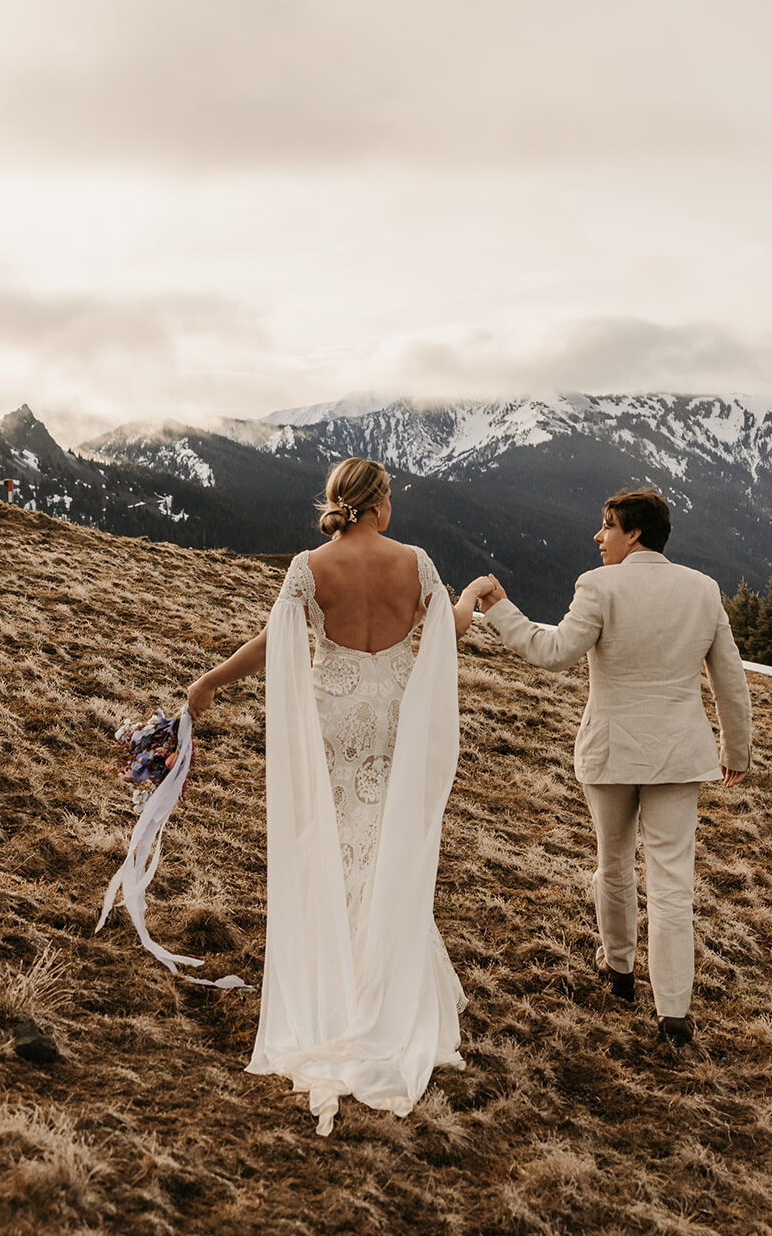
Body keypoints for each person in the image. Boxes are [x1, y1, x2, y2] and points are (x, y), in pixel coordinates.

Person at [187, 457, 494, 1134]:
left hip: (333, 717)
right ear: (379, 504)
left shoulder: (309, 566)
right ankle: (382, 979)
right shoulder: (416, 563)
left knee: (332, 839)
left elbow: (276, 642)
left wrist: (210, 680)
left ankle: (336, 975)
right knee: (386, 839)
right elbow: (451, 628)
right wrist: (474, 595)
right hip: (393, 719)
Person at [477, 488, 751, 1046]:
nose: (597, 537)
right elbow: (730, 679)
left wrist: (499, 609)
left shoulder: (599, 587)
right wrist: (735, 750)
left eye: (606, 527)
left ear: (635, 534)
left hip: (611, 753)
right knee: (673, 885)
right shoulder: (703, 590)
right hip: (679, 756)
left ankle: (619, 971)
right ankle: (674, 1015)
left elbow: (552, 654)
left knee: (615, 864)